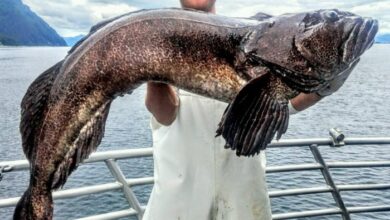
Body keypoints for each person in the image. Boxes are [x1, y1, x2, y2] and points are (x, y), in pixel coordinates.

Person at [143, 0, 351, 219]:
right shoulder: (163, 36)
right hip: (178, 201)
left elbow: (284, 102)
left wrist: (328, 81)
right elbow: (165, 116)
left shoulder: (259, 38)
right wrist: (153, 67)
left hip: (243, 196)